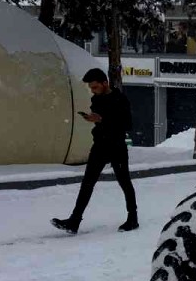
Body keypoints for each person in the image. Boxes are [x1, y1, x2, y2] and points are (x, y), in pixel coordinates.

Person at [52, 69, 138, 234]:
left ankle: (132, 218)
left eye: (95, 87)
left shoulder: (120, 99)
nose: (93, 90)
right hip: (100, 145)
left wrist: (102, 119)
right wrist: (94, 119)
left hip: (117, 146)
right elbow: (102, 121)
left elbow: (127, 124)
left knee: (124, 181)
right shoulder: (96, 99)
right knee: (87, 183)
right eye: (91, 88)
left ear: (105, 83)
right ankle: (74, 221)